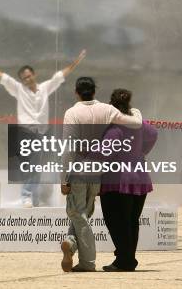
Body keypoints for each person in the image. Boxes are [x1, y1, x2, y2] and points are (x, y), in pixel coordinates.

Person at [0, 50, 86, 207]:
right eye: (24, 78)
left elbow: (60, 75)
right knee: (31, 163)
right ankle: (26, 195)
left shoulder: (45, 88)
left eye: (28, 76)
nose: (27, 79)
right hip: (26, 132)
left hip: (41, 132)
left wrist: (77, 61)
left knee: (36, 166)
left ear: (34, 75)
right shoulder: (18, 89)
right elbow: (3, 77)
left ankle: (33, 198)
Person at [60, 78, 143, 272]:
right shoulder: (107, 110)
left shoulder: (72, 113)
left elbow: (68, 149)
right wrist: (137, 111)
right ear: (94, 92)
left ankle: (88, 261)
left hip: (79, 169)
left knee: (76, 213)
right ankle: (71, 243)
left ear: (76, 92)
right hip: (97, 172)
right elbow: (136, 122)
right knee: (85, 213)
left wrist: (63, 179)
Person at [99, 89, 157, 272]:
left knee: (116, 221)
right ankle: (128, 259)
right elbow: (153, 133)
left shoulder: (114, 128)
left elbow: (105, 153)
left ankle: (124, 260)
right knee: (131, 221)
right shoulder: (139, 123)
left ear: (111, 105)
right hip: (139, 178)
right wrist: (142, 152)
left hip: (117, 181)